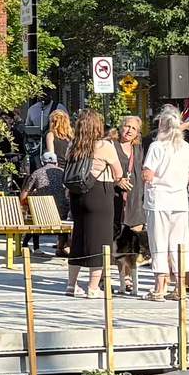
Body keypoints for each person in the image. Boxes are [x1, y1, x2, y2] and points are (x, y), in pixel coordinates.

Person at [65, 109, 124, 295]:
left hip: (76, 194)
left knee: (79, 238)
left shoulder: (73, 145)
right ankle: (92, 287)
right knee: (100, 240)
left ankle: (71, 285)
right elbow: (118, 172)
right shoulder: (105, 146)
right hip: (99, 193)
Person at [140, 109, 189, 301]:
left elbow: (148, 174)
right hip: (179, 200)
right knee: (179, 244)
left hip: (159, 200)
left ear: (162, 125)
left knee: (159, 243)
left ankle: (159, 288)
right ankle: (180, 287)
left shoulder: (157, 146)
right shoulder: (186, 147)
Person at [114, 113, 148, 297]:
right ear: (121, 127)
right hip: (115, 198)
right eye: (127, 126)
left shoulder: (139, 150)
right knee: (118, 240)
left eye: (133, 128)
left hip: (135, 200)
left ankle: (128, 276)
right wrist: (116, 180)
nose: (129, 130)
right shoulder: (111, 146)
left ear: (137, 133)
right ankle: (120, 277)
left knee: (132, 241)